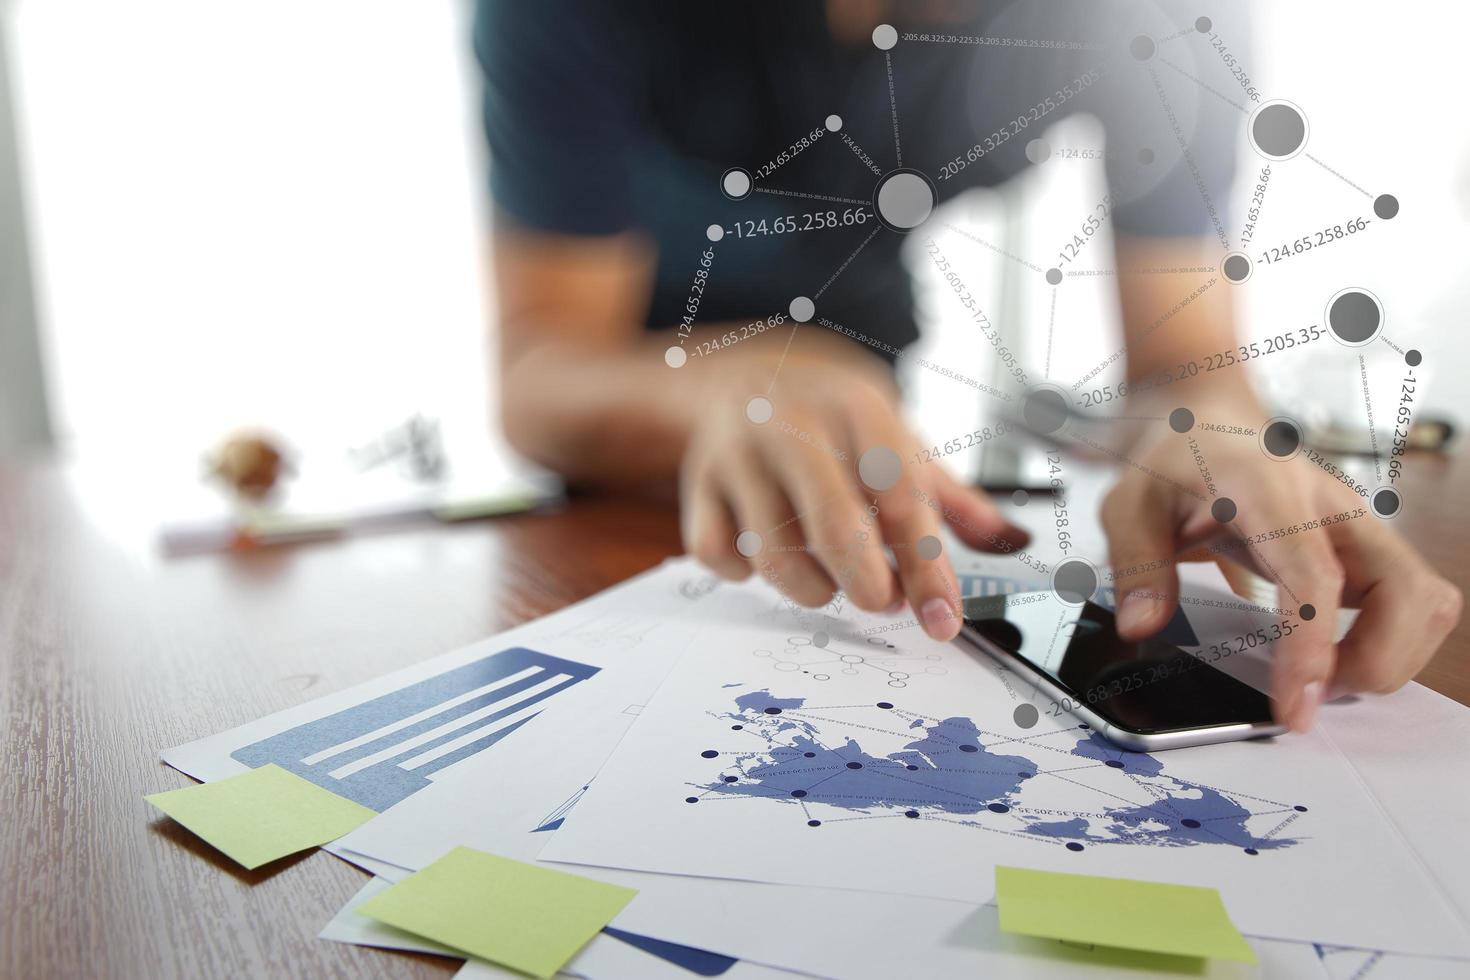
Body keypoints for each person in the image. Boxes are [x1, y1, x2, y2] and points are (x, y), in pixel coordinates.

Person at [473, 0, 1461, 733]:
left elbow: (1186, 359)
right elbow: (541, 368)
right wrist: (727, 380)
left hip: (860, 390)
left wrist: (1222, 432)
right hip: (631, 455)